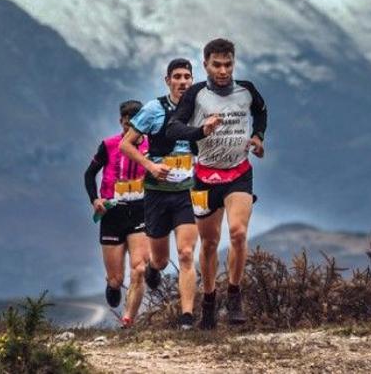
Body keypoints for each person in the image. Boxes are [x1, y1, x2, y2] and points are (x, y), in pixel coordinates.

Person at [166, 38, 267, 328]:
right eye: (217, 65)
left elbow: (261, 112)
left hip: (239, 172)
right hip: (205, 178)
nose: (223, 71)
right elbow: (173, 128)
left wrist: (258, 137)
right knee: (209, 244)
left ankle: (234, 295)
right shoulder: (196, 94)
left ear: (234, 63)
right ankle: (209, 302)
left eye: (228, 64)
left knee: (237, 233)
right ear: (206, 65)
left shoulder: (247, 90)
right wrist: (201, 130)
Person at [119, 58, 199, 330]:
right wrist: (151, 166)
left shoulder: (199, 108)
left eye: (187, 76)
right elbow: (125, 145)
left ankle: (187, 317)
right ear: (168, 81)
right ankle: (154, 267)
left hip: (185, 192)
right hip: (156, 194)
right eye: (176, 77)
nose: (182, 82)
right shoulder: (154, 109)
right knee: (162, 260)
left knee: (186, 253)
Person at [83, 100, 150, 327]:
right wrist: (95, 200)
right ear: (120, 122)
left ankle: (128, 319)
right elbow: (89, 174)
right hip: (112, 214)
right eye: (125, 124)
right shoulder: (109, 145)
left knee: (139, 268)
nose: (129, 129)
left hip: (140, 211)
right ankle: (112, 286)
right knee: (117, 279)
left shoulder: (151, 146)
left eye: (134, 124)